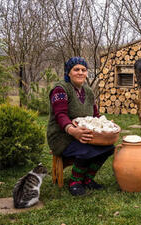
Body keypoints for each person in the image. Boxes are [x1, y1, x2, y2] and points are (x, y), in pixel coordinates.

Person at [47, 57, 114, 196]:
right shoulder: (60, 90)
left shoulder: (88, 92)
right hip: (62, 136)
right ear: (68, 72)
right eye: (76, 69)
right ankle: (75, 182)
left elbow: (95, 115)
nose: (80, 72)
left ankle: (88, 179)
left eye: (83, 70)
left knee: (108, 148)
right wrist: (73, 131)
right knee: (86, 149)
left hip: (84, 134)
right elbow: (61, 115)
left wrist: (106, 124)